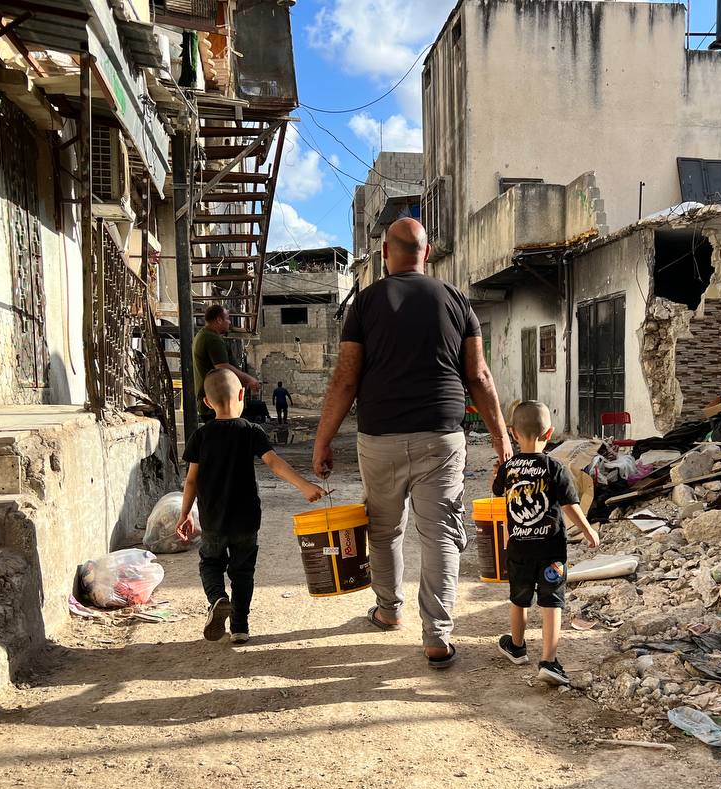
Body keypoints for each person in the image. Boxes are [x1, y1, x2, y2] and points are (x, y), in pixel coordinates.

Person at [313, 217, 510, 669]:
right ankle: (437, 638)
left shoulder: (364, 304)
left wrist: (323, 440)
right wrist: (502, 440)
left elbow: (346, 378)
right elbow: (478, 376)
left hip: (378, 437)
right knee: (439, 534)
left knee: (384, 529)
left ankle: (388, 611)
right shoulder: (457, 301)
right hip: (441, 437)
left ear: (385, 252)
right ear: (427, 252)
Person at [177, 369, 325, 643]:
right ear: (242, 395)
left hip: (213, 520)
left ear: (207, 403)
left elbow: (191, 481)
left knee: (210, 563)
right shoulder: (251, 431)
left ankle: (218, 598)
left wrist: (185, 514)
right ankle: (240, 628)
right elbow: (274, 463)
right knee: (243, 571)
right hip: (246, 520)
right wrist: (304, 485)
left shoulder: (201, 435)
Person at [492, 401, 599, 686]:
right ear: (549, 433)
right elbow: (570, 506)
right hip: (551, 549)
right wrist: (588, 531)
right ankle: (549, 661)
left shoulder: (508, 468)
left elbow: (501, 497)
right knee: (552, 602)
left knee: (520, 597)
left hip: (518, 548)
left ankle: (516, 647)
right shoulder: (556, 467)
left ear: (514, 434)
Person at [193, 304, 259, 422]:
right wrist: (249, 379)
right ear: (219, 320)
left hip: (212, 403)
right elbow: (223, 368)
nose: (229, 322)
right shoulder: (212, 338)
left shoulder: (203, 335)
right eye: (227, 318)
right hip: (219, 405)